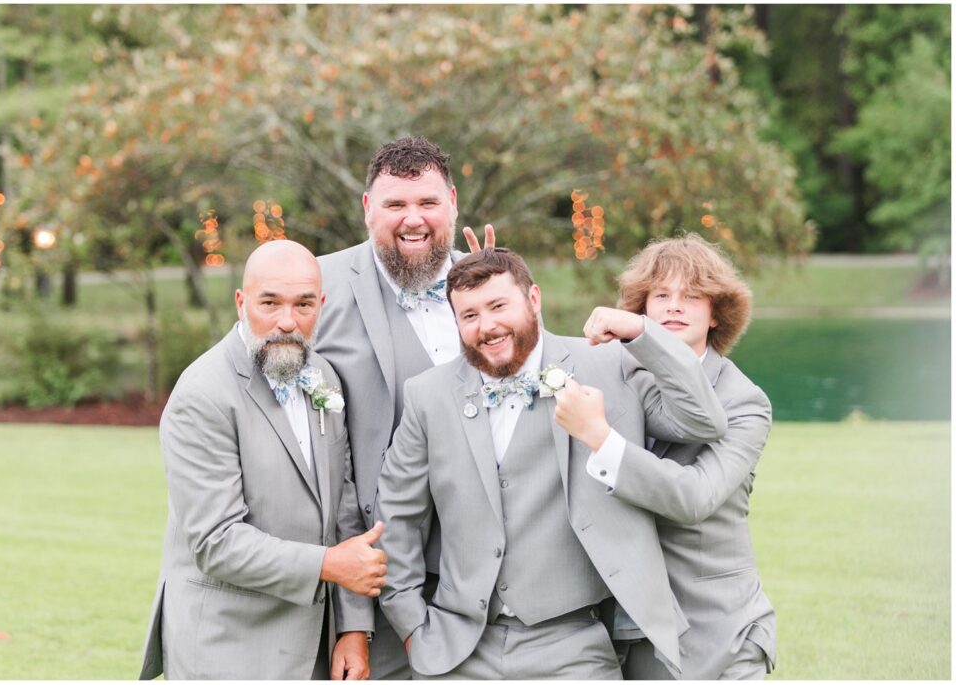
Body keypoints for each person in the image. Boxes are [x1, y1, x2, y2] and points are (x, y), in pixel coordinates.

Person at [375, 247, 728, 679]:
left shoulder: (605, 364)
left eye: (498, 306)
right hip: (456, 649)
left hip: (574, 645)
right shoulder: (428, 395)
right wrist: (413, 627)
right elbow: (396, 518)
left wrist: (642, 331)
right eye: (469, 316)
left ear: (534, 300)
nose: (487, 326)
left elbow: (702, 419)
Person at [139, 240, 387, 680]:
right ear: (241, 302)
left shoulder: (323, 377)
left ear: (321, 305)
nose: (286, 322)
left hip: (314, 643)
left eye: (303, 304)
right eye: (269, 303)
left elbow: (344, 510)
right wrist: (329, 566)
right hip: (228, 645)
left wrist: (352, 629)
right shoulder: (202, 394)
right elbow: (216, 542)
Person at [555, 233, 776, 679]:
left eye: (692, 296)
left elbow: (693, 497)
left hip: (720, 633)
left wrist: (601, 437)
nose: (674, 306)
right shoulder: (619, 375)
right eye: (661, 295)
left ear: (717, 314)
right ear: (642, 306)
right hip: (634, 631)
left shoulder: (745, 402)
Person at [315, 136, 492, 679]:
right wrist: (352, 623)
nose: (412, 219)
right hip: (377, 574)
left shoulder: (492, 287)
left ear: (453, 203)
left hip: (485, 577)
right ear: (368, 209)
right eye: (395, 204)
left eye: (427, 203)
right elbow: (327, 467)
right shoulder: (315, 287)